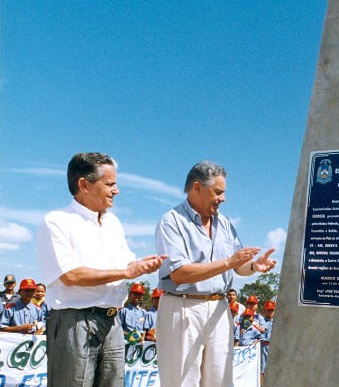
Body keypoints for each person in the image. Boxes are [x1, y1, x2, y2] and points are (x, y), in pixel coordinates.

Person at [36, 152, 165, 387]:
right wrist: (127, 272)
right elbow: (71, 275)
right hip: (75, 322)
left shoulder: (113, 223)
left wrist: (141, 266)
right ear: (84, 184)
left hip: (113, 323)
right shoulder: (56, 222)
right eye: (110, 184)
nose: (116, 190)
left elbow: (127, 266)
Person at [155, 161, 277, 387]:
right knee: (181, 382)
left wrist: (253, 266)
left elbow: (237, 265)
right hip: (183, 307)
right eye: (218, 192)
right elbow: (180, 273)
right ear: (197, 187)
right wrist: (229, 262)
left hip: (219, 309)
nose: (223, 198)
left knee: (220, 381)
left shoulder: (225, 224)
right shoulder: (171, 221)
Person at [261, 300, 275, 383]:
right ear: (264, 310)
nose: (270, 312)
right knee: (262, 367)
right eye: (268, 310)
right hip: (263, 346)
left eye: (272, 310)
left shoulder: (276, 322)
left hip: (273, 346)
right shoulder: (261, 321)